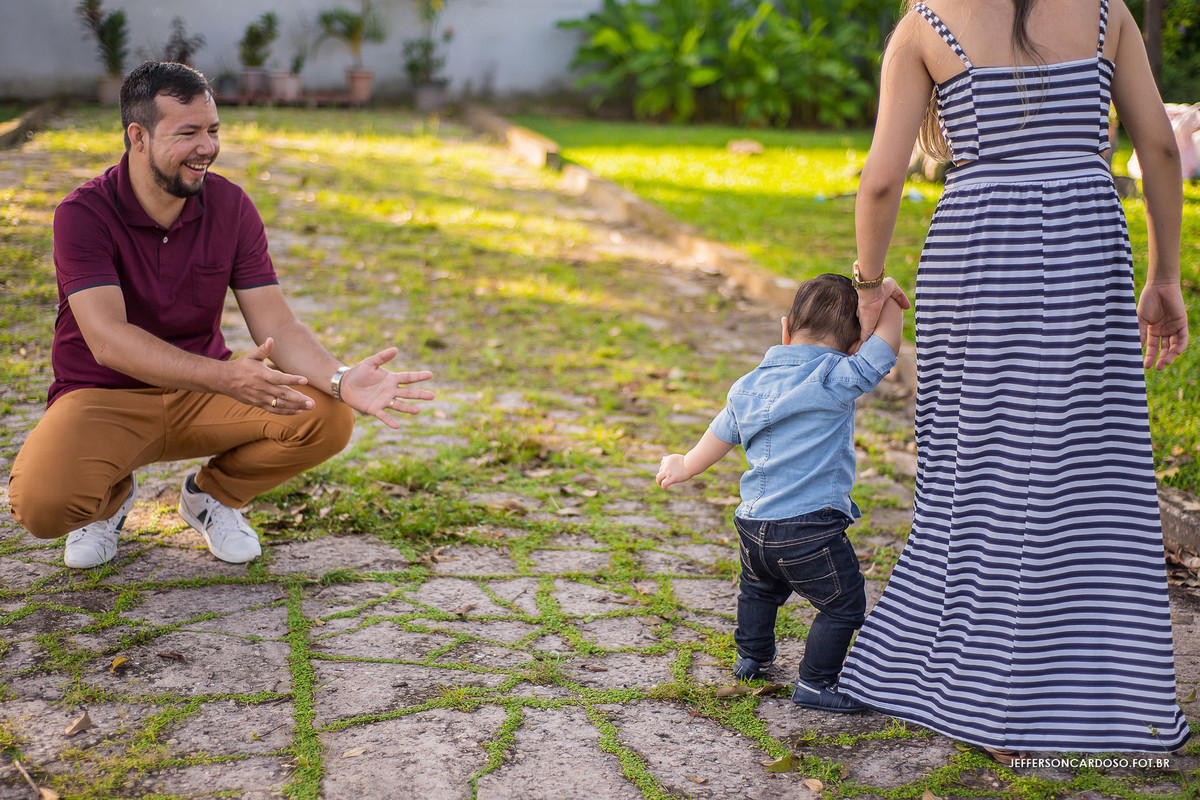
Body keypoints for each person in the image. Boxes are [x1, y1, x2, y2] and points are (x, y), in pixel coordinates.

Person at [842, 0, 1191, 758]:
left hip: (976, 253)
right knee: (1087, 466)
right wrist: (1166, 273)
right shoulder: (1107, 13)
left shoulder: (924, 26)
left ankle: (978, 682)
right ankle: (1102, 691)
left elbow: (878, 182)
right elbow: (1160, 148)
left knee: (978, 465)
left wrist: (868, 282)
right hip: (1085, 245)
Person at [7, 61, 435, 569]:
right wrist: (227, 376)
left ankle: (213, 497)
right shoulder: (83, 214)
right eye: (187, 133)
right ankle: (109, 500)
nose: (207, 147)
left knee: (325, 415)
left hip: (202, 393)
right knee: (42, 506)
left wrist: (341, 379)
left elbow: (276, 324)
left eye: (213, 130)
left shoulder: (231, 206)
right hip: (105, 394)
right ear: (138, 137)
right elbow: (109, 340)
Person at [657, 273, 908, 712]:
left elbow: (721, 433)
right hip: (809, 529)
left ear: (786, 328)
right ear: (854, 346)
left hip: (753, 524)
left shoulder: (747, 384)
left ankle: (752, 656)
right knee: (844, 605)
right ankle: (814, 683)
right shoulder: (838, 376)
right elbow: (886, 348)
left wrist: (685, 464)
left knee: (759, 592)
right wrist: (885, 296)